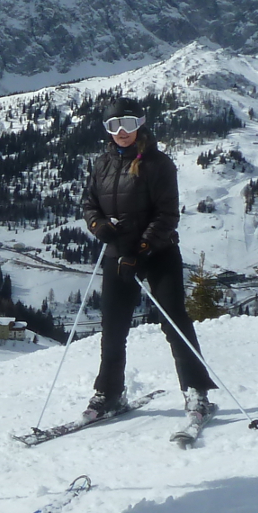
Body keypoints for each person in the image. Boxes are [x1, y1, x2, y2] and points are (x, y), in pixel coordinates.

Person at [80, 97, 216, 422]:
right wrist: (100, 227)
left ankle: (196, 391)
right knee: (113, 329)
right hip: (117, 254)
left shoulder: (159, 164)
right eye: (113, 126)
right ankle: (109, 393)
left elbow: (167, 214)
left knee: (174, 323)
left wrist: (140, 249)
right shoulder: (101, 164)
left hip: (158, 253)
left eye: (127, 123)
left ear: (140, 123)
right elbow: (89, 203)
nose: (121, 132)